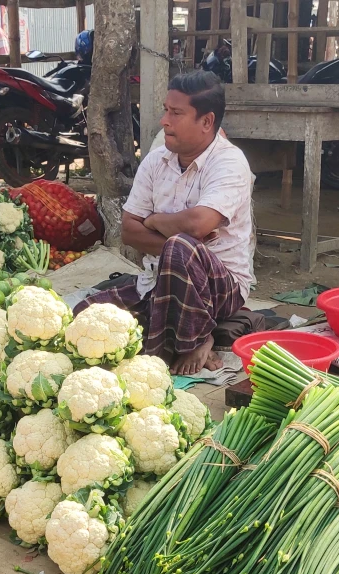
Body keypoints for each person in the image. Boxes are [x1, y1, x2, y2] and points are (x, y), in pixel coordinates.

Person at [78, 71, 255, 375]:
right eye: (165, 110)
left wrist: (155, 221)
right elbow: (130, 230)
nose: (164, 121)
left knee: (181, 247)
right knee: (85, 314)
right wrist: (180, 253)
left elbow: (198, 225)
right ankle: (195, 328)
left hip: (223, 287)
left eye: (176, 113)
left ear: (207, 122)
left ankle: (197, 339)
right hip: (158, 279)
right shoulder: (156, 160)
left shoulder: (229, 162)